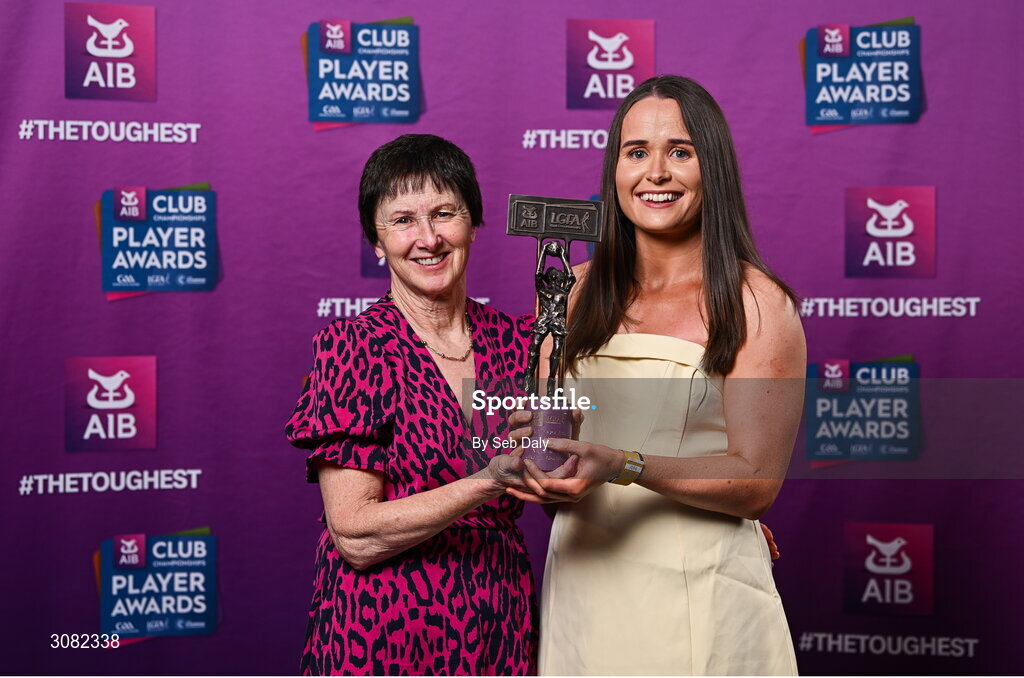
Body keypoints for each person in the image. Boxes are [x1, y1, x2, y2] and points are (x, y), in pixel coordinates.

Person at [508, 76, 806, 675]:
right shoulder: (575, 291)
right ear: (614, 169)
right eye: (637, 152)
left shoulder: (755, 303)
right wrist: (535, 455)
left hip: (701, 595)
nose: (657, 173)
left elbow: (756, 482)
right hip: (585, 591)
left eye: (681, 151)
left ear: (711, 167)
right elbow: (555, 466)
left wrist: (623, 463)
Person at [285, 134, 555, 675]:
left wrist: (691, 521)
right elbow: (356, 534)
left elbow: (566, 480)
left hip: (497, 620)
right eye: (402, 220)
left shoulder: (524, 343)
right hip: (382, 632)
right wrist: (490, 480)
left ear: (474, 225)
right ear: (376, 242)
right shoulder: (353, 348)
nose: (428, 238)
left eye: (445, 213)